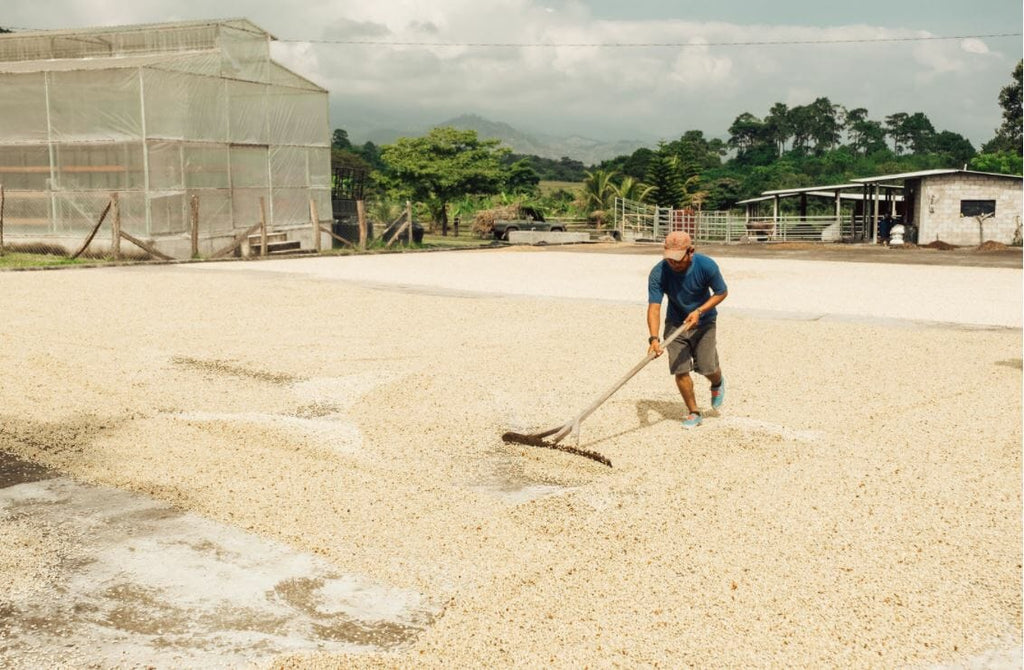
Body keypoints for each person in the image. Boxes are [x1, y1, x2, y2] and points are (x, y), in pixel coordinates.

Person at [647, 231, 728, 428]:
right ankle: (693, 411)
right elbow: (654, 308)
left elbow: (721, 292)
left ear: (691, 251)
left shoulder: (706, 266)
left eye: (678, 259)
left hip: (704, 321)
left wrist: (699, 311)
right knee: (680, 369)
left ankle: (717, 383)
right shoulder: (659, 272)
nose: (673, 264)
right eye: (669, 259)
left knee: (707, 366)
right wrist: (654, 339)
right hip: (676, 323)